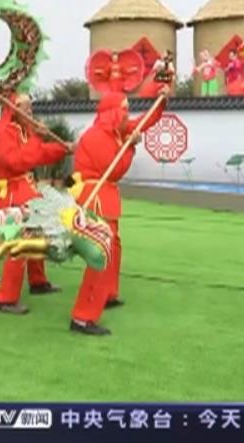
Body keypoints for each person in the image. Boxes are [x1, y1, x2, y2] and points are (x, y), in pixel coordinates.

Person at [68, 83, 170, 335]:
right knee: (101, 255)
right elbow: (114, 169)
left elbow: (143, 122)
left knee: (113, 248)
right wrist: (132, 147)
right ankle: (83, 317)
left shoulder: (114, 132)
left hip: (105, 197)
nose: (128, 114)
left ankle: (107, 294)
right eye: (124, 109)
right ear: (113, 112)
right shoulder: (96, 137)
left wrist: (160, 102)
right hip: (96, 199)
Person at [0, 93, 71, 314]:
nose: (30, 111)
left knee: (37, 236)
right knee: (19, 243)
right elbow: (16, 161)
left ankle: (37, 281)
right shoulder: (2, 132)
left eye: (31, 107)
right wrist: (36, 139)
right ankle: (5, 298)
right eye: (26, 107)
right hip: (12, 192)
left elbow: (39, 154)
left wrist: (62, 149)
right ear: (14, 109)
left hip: (26, 189)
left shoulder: (24, 130)